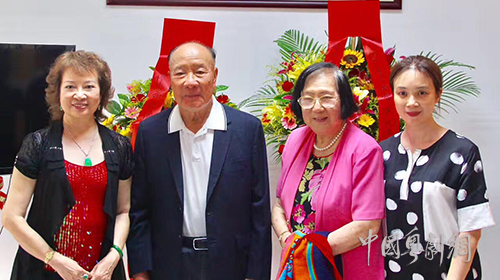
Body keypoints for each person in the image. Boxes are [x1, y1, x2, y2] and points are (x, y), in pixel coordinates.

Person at [127, 42, 271, 280]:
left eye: (199, 71)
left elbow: (259, 210)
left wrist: (255, 275)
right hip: (168, 266)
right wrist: (140, 271)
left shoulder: (246, 130)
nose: (190, 81)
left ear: (214, 76)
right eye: (180, 73)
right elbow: (140, 209)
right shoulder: (151, 133)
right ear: (170, 80)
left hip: (230, 265)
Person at [2, 51, 133, 280]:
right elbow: (11, 217)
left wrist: (114, 255)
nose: (79, 95)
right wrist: (54, 260)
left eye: (89, 87)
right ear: (58, 93)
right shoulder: (38, 144)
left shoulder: (119, 146)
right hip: (43, 270)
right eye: (70, 86)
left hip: (102, 273)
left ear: (101, 94)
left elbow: (123, 211)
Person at [381, 55, 495, 279]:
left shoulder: (462, 152)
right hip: (393, 272)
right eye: (402, 93)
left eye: (422, 93)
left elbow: (470, 232)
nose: (411, 102)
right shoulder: (382, 153)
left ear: (438, 95)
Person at [272, 62, 385, 280]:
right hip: (296, 267)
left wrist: (310, 252)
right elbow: (279, 204)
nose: (317, 107)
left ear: (344, 101)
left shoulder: (365, 149)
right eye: (308, 98)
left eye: (326, 97)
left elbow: (368, 226)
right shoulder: (296, 139)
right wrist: (288, 241)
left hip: (343, 269)